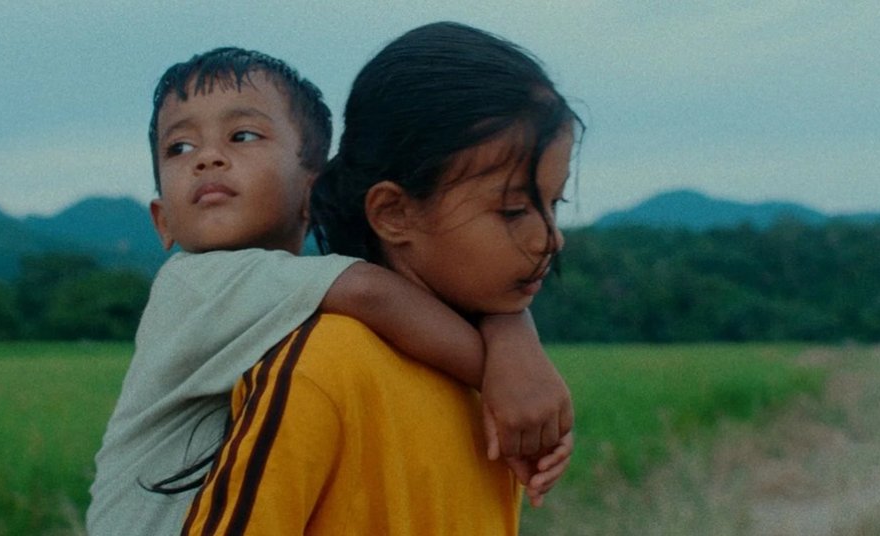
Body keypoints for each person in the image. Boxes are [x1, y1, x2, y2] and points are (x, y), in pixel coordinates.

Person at [87, 46, 571, 535]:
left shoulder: (299, 304)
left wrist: (511, 331)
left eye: (243, 135)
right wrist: (509, 382)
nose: (208, 158)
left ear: (311, 195)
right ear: (161, 220)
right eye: (179, 148)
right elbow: (372, 292)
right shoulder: (194, 282)